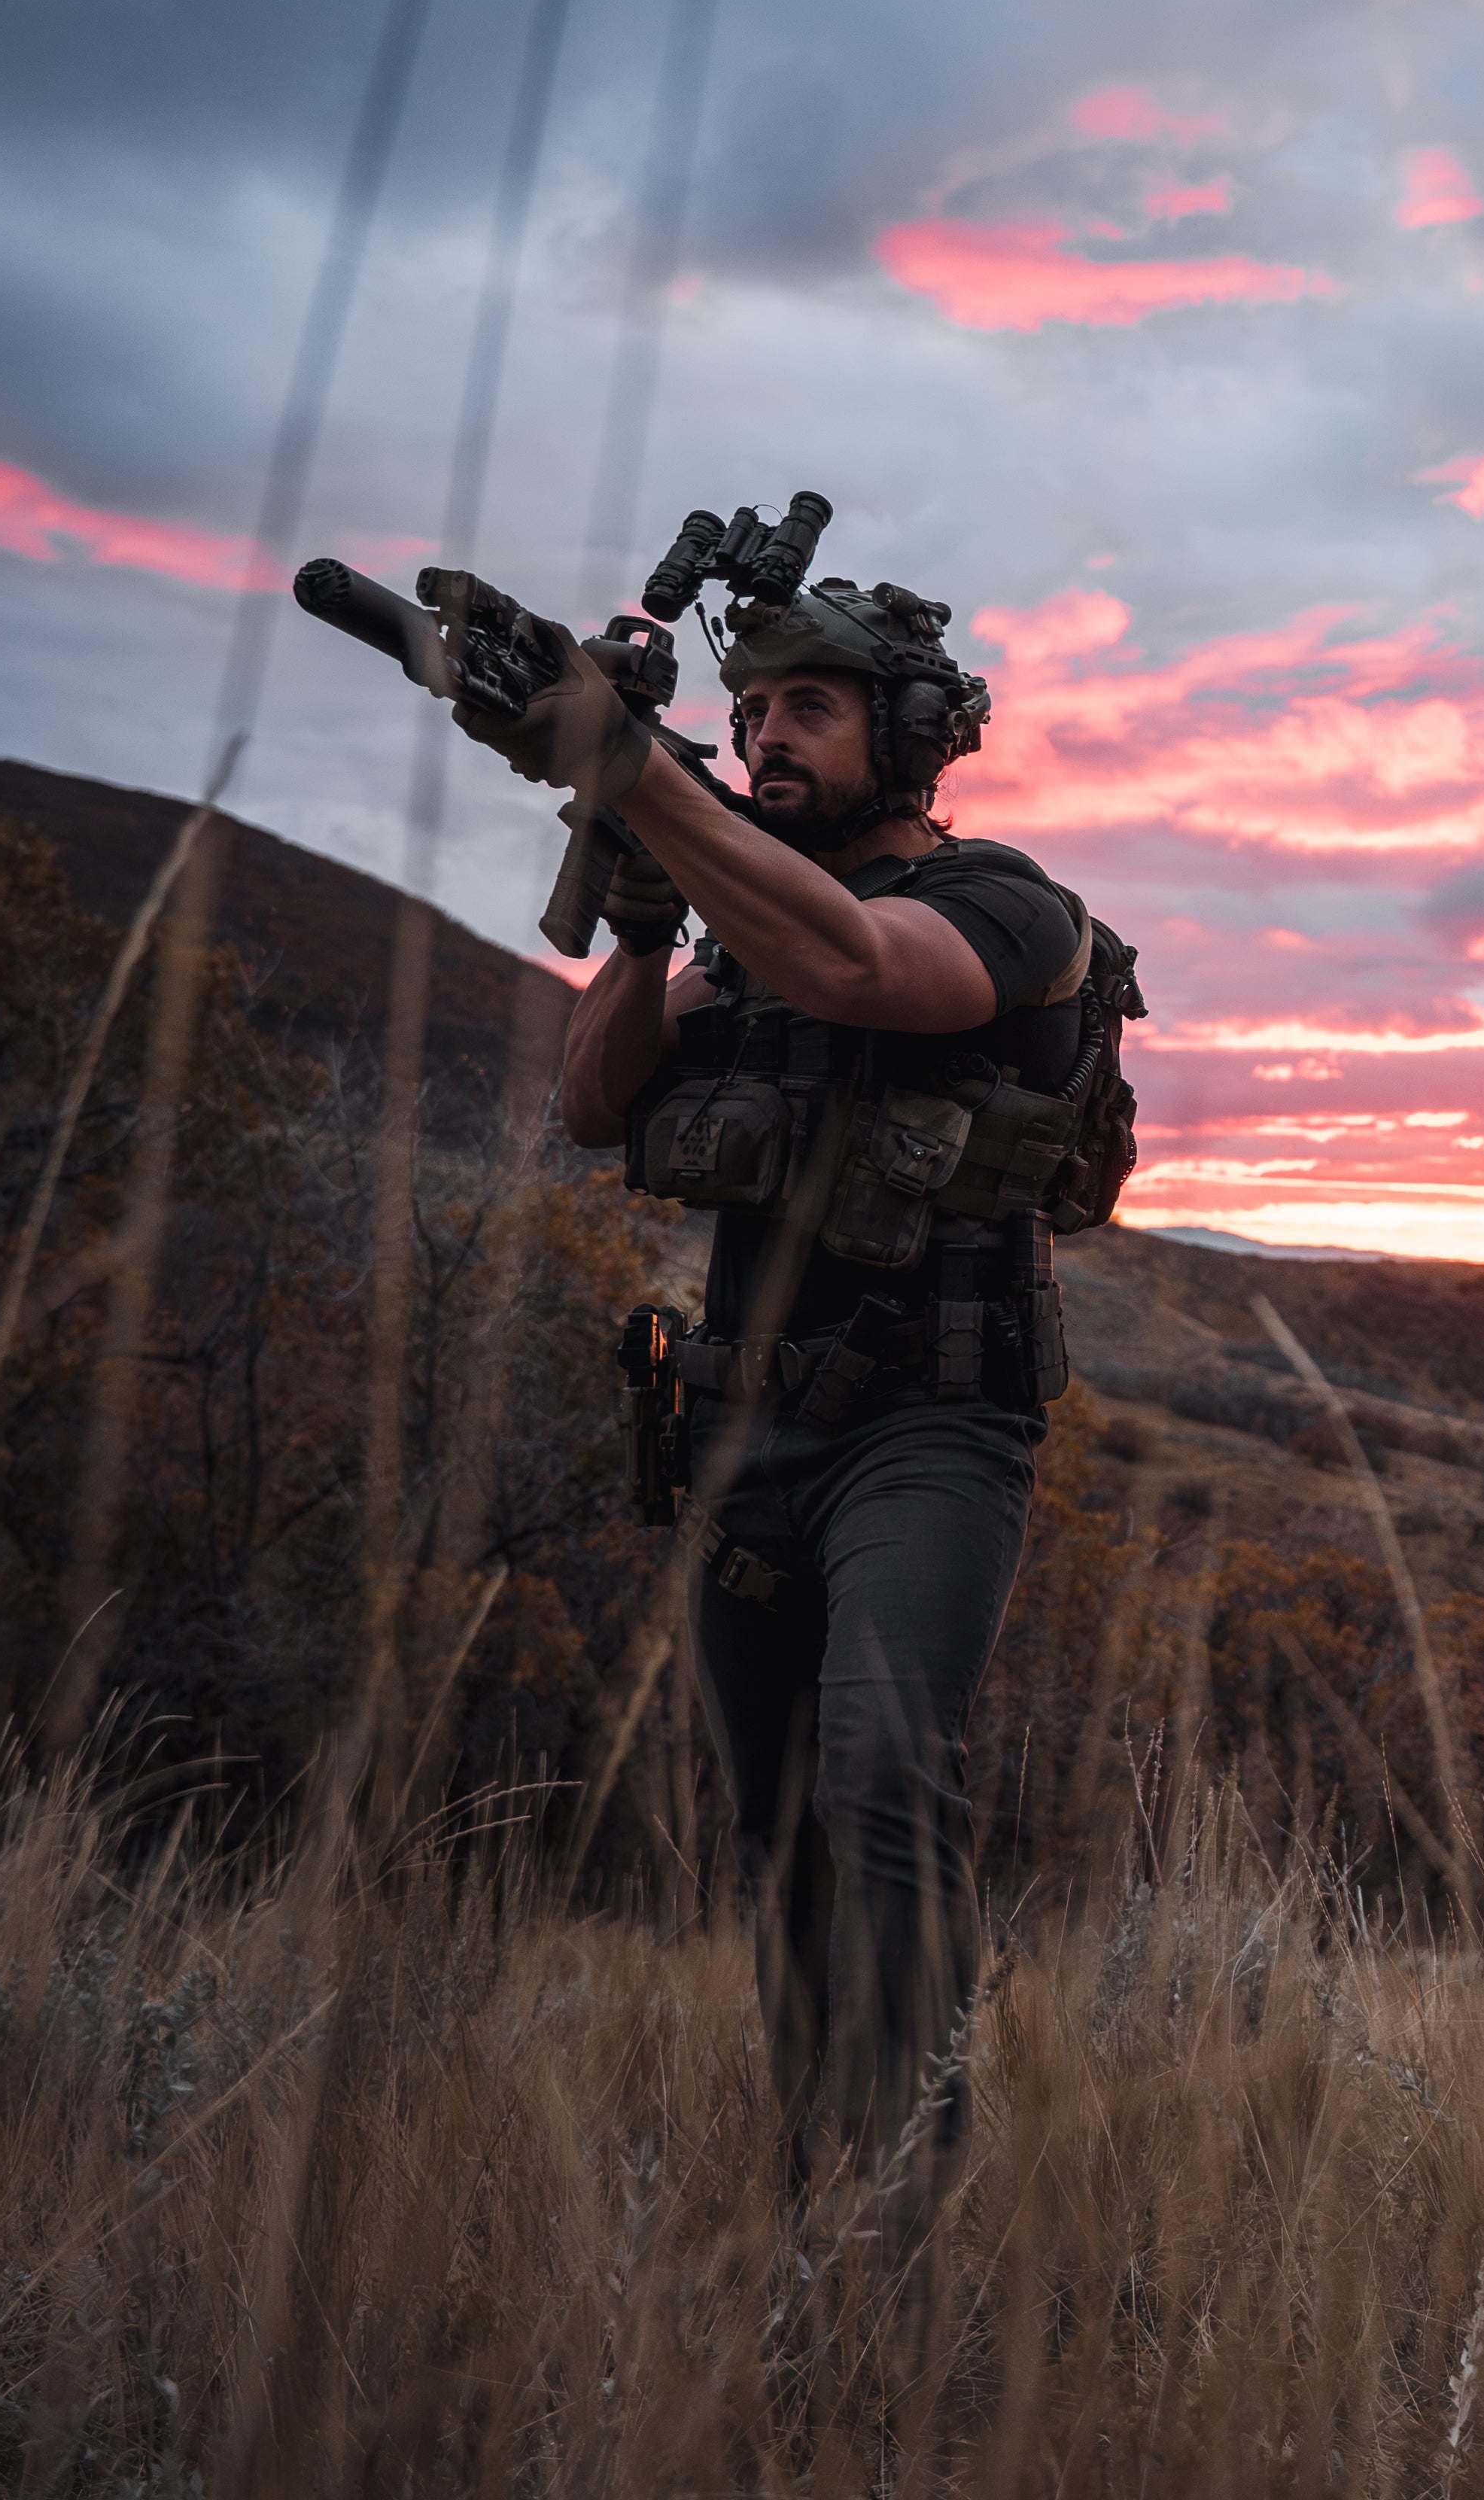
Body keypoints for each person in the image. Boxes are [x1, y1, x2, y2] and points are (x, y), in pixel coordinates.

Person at [462, 565, 1127, 2203]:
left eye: (807, 710)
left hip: (930, 1429)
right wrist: (635, 913)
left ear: (910, 735)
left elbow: (854, 966)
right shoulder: (742, 940)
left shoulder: (1007, 906)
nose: (765, 739)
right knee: (774, 1840)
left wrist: (637, 779)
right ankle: (819, 2188)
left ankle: (908, 2207)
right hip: (744, 1441)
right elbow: (597, 1102)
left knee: (885, 1776)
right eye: (745, 715)